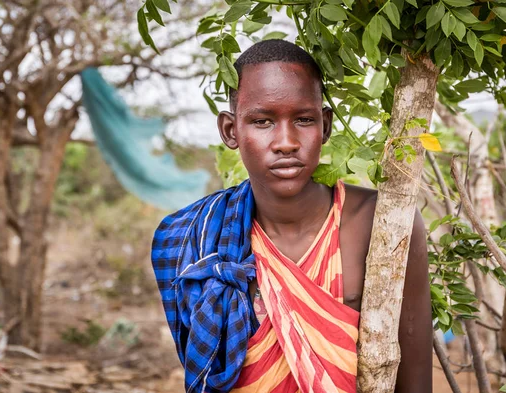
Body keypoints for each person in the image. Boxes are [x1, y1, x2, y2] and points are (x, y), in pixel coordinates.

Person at [151, 39, 432, 393]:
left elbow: (416, 379)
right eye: (262, 121)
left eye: (303, 120)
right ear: (230, 130)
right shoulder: (192, 236)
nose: (286, 141)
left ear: (325, 126)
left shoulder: (380, 222)